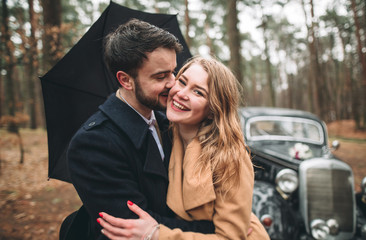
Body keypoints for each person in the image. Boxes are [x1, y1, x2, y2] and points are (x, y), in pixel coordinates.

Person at [63, 19, 215, 239]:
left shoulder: (170, 122)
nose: (173, 83)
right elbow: (132, 227)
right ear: (126, 80)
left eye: (174, 72)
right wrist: (216, 230)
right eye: (161, 76)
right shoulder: (92, 144)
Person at [97, 57, 270, 240]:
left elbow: (231, 237)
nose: (181, 94)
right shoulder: (164, 134)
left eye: (198, 92)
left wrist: (156, 234)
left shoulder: (229, 156)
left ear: (212, 110)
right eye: (182, 82)